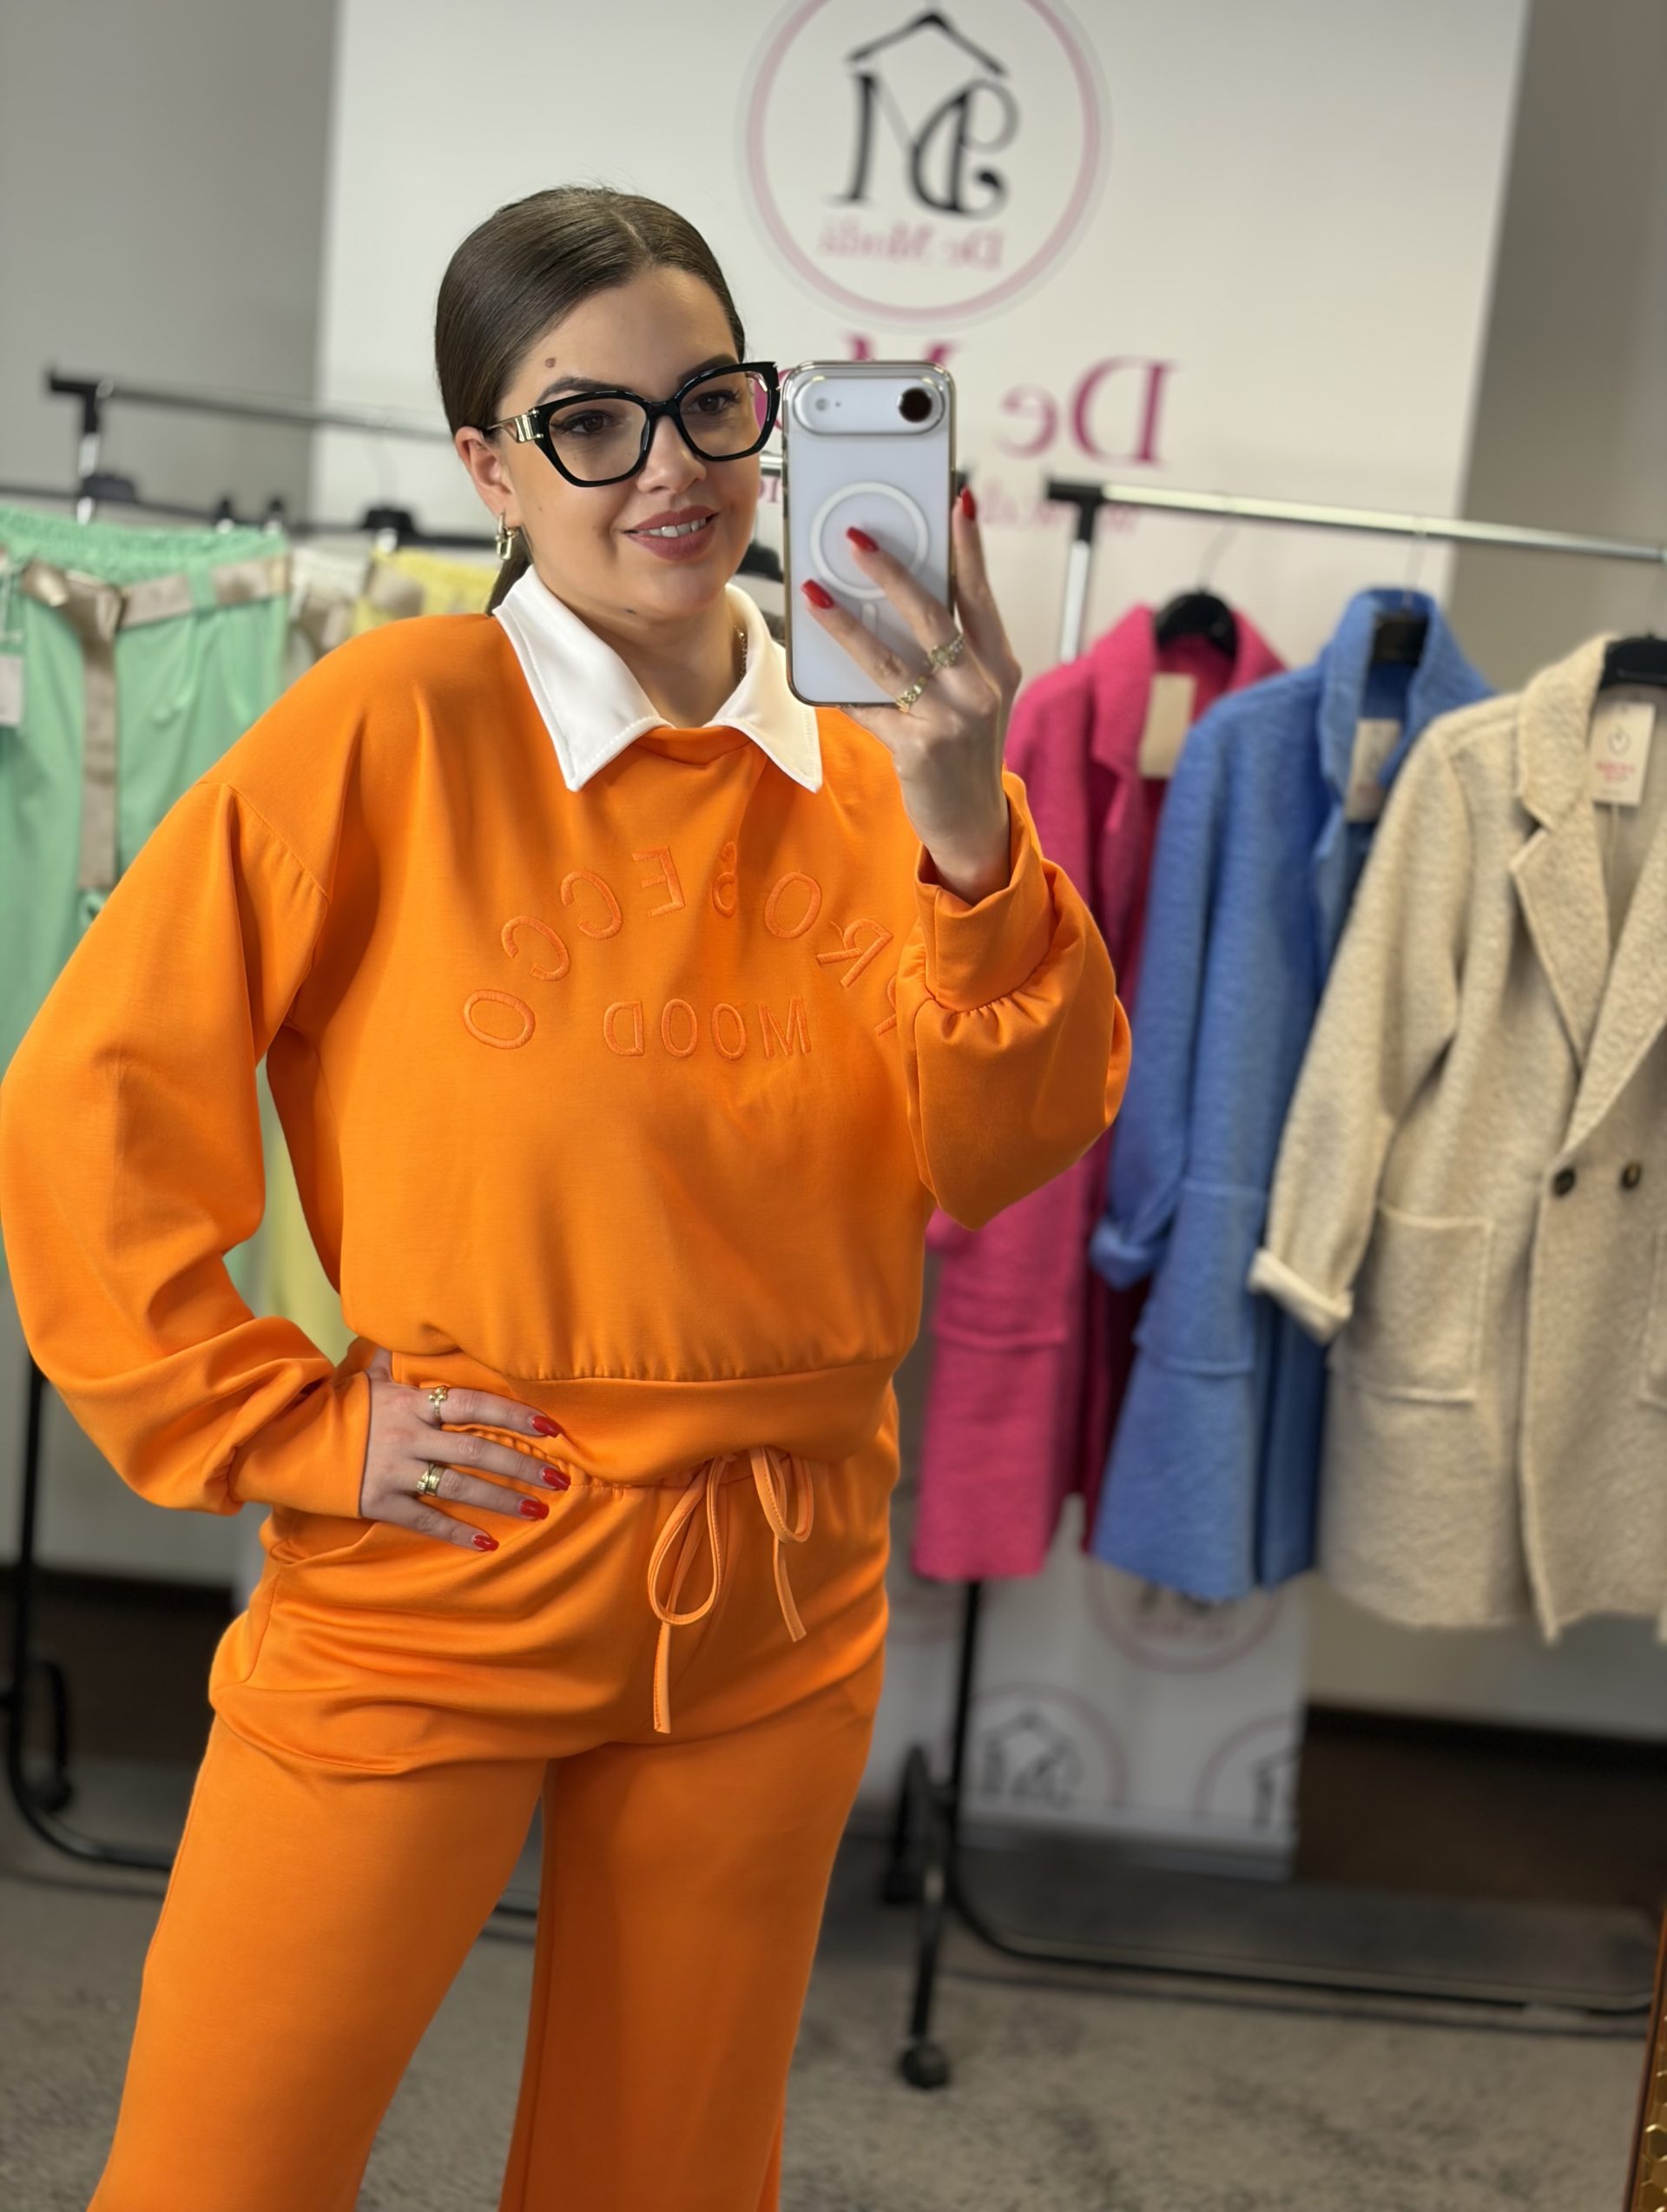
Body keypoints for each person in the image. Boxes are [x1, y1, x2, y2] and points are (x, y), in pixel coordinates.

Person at [0, 184, 1130, 2211]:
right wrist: (281, 1419)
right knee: (220, 2163)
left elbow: (1006, 1144)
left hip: (779, 1580)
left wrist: (972, 827)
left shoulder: (889, 765)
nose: (669, 468)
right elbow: (92, 1096)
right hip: (453, 1544)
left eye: (710, 403)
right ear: (489, 467)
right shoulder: (388, 722)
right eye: (589, 423)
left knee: (667, 2173)